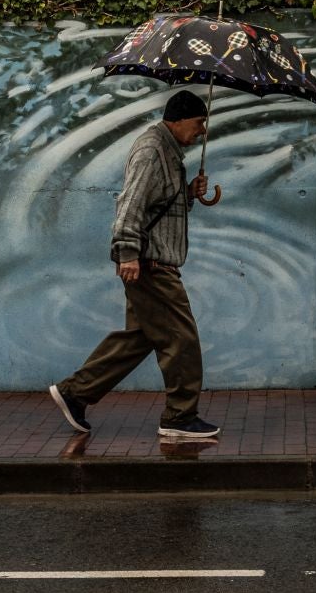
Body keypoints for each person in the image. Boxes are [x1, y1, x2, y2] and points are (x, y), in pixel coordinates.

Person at [49, 89, 221, 440]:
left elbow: (157, 203)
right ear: (177, 120)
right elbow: (130, 203)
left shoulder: (168, 152)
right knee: (182, 339)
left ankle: (75, 393)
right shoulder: (152, 151)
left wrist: (188, 192)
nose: (202, 130)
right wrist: (127, 252)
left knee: (140, 337)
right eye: (198, 122)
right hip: (151, 264)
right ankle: (179, 416)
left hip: (151, 261)